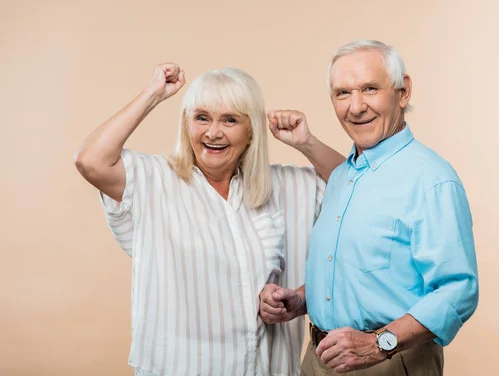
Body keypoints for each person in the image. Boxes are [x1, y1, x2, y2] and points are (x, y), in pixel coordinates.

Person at [74, 63, 344, 376]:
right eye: (202, 117)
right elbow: (90, 160)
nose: (213, 133)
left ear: (251, 130)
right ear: (186, 124)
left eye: (230, 120)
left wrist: (306, 142)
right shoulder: (155, 180)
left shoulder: (284, 186)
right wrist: (153, 94)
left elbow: (353, 186)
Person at [259, 40, 479, 375]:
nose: (356, 106)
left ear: (403, 92)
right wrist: (302, 299)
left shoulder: (431, 180)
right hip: (318, 358)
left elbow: (458, 290)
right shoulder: (344, 175)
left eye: (370, 89)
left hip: (388, 361)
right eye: (342, 93)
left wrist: (379, 344)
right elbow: (356, 268)